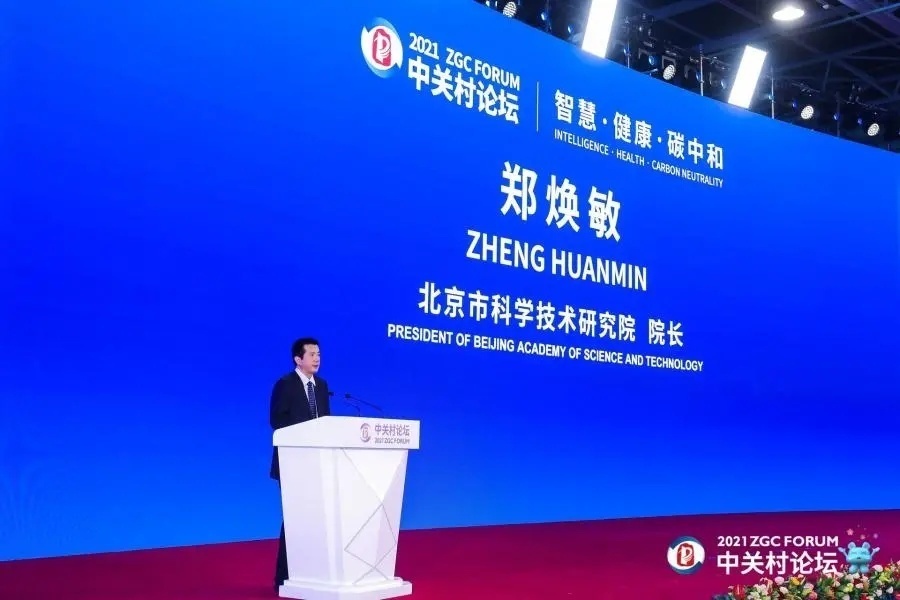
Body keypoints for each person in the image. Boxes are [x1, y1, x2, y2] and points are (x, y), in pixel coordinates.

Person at [269, 337, 331, 594]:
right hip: (292, 463)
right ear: (298, 359)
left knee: (316, 519)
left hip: (319, 464)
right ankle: (283, 578)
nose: (317, 358)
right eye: (312, 354)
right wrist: (305, 435)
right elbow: (277, 421)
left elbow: (327, 424)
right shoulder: (285, 384)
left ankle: (311, 575)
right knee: (295, 520)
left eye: (319, 354)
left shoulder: (322, 386)